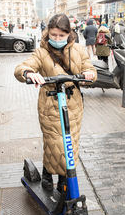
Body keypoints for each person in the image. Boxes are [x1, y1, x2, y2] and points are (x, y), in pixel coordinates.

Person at [14, 13, 97, 193]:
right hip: (50, 103)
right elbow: (21, 68)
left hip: (73, 104)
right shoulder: (41, 52)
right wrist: (29, 73)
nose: (57, 39)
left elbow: (89, 69)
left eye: (61, 35)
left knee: (70, 143)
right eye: (54, 35)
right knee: (54, 142)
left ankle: (63, 177)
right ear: (48, 33)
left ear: (69, 33)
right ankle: (47, 173)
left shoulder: (79, 50)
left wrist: (89, 75)